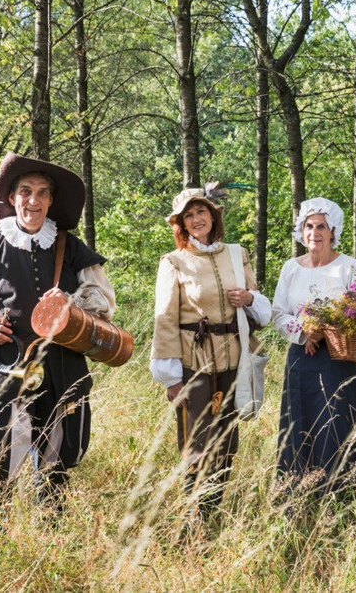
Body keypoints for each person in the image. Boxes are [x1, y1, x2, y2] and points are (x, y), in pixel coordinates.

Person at [0, 152, 116, 514]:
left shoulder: (69, 247)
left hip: (61, 365)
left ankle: (50, 527)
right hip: (3, 368)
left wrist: (70, 302)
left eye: (42, 193)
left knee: (56, 460)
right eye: (25, 191)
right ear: (11, 198)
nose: (33, 200)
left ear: (51, 201)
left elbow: (103, 300)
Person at [149, 184, 271, 516]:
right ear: (182, 225)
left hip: (234, 361)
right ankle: (194, 523)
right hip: (194, 364)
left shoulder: (236, 253)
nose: (196, 219)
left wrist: (248, 299)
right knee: (197, 445)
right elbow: (165, 320)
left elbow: (258, 311)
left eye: (201, 211)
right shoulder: (174, 262)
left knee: (227, 443)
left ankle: (213, 513)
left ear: (212, 215)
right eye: (188, 215)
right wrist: (172, 378)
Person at [272, 197, 356, 494]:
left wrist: (327, 329)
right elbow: (278, 313)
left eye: (321, 226)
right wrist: (305, 332)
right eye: (309, 226)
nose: (315, 232)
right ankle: (296, 488)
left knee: (334, 425)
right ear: (301, 230)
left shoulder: (348, 266)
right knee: (300, 424)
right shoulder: (290, 268)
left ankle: (335, 491)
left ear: (333, 231)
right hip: (300, 360)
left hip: (337, 360)